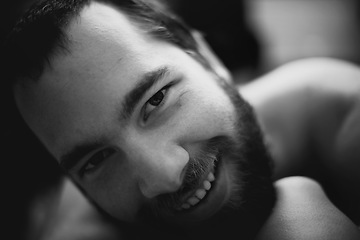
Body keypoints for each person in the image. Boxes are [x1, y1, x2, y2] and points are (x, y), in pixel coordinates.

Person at [2, 0, 360, 239]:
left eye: (156, 99)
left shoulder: (344, 115)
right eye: (95, 160)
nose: (164, 176)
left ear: (208, 58)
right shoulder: (80, 227)